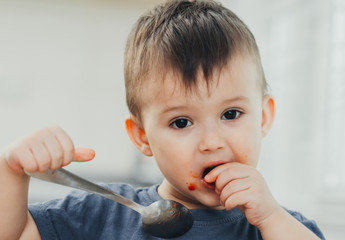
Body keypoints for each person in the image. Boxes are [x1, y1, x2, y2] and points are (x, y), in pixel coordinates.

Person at [0, 0, 325, 239]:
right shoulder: (103, 216)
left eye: (231, 114)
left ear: (264, 117)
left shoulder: (280, 227)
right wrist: (11, 170)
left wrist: (270, 217)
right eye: (181, 122)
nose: (212, 142)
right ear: (142, 136)